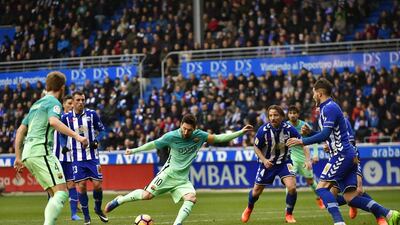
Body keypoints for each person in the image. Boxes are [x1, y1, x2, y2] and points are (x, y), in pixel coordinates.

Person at [287, 78, 399, 225]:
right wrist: (311, 133)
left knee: (321, 189)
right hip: (345, 155)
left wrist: (302, 140)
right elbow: (330, 135)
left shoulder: (329, 108)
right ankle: (389, 214)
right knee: (351, 198)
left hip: (342, 155)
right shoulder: (327, 108)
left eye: (314, 92)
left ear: (320, 93)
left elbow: (326, 134)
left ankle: (339, 222)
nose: (313, 95)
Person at [104, 114, 253, 225]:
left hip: (182, 179)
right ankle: (120, 199)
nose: (186, 132)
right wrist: (134, 150)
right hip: (168, 174)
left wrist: (240, 132)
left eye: (189, 130)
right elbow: (153, 144)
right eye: (184, 128)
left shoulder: (199, 136)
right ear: (180, 125)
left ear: (194, 129)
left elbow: (219, 139)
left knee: (191, 198)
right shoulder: (171, 136)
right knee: (147, 195)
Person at [13, 71, 88, 225]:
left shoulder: (36, 104)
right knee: (61, 194)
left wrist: (18, 157)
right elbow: (53, 122)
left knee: (55, 194)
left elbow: (20, 130)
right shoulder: (54, 103)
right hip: (41, 151)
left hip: (29, 153)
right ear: (62, 88)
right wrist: (78, 136)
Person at [241, 105, 305, 224]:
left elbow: (302, 142)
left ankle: (289, 214)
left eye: (275, 115)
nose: (273, 118)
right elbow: (256, 147)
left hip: (284, 162)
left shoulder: (289, 129)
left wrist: (307, 158)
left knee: (292, 187)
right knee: (256, 192)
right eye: (270, 115)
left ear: (281, 116)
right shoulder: (263, 130)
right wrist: (264, 160)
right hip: (267, 164)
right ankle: (249, 208)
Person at [329, 117, 388, 225]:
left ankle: (380, 216)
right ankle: (353, 202)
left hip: (347, 155)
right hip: (337, 159)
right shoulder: (327, 120)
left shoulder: (342, 120)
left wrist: (359, 184)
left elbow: (352, 150)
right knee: (331, 198)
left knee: (358, 191)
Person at [62, 91, 108, 225]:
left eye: (83, 99)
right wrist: (65, 145)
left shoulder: (92, 114)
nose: (81, 102)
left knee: (97, 185)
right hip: (76, 157)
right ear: (73, 101)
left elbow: (102, 130)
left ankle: (98, 209)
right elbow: (61, 134)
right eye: (78, 100)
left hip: (92, 156)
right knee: (81, 187)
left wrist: (97, 140)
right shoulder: (66, 118)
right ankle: (87, 217)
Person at [287, 105, 324, 209]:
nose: (292, 115)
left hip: (304, 157)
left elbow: (315, 139)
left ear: (298, 114)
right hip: (291, 157)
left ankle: (320, 198)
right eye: (290, 113)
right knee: (290, 181)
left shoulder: (304, 125)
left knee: (310, 181)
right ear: (288, 114)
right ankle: (288, 206)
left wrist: (315, 154)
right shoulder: (285, 126)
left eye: (294, 113)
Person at [53, 95, 80, 220]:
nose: (71, 105)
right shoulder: (55, 117)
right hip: (56, 157)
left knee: (71, 184)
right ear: (63, 104)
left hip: (70, 158)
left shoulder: (76, 119)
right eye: (69, 103)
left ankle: (73, 214)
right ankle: (52, 214)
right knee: (54, 188)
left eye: (72, 103)